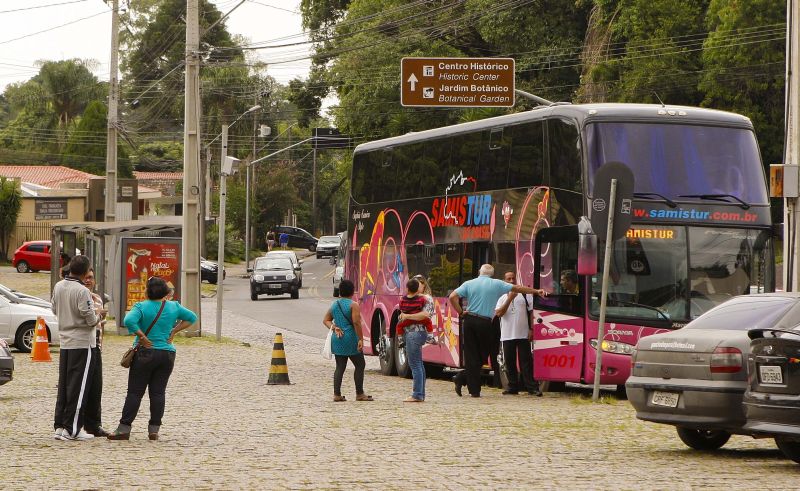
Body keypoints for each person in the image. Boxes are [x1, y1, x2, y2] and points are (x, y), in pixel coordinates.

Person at [108, 277, 197, 441]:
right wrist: (174, 331)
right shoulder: (174, 306)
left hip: (145, 353)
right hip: (167, 354)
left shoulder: (141, 306)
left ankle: (124, 429)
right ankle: (154, 429)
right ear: (165, 291)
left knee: (135, 393)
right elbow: (192, 317)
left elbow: (129, 320)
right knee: (158, 392)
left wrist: (141, 336)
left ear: (147, 291)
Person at [449, 264, 546, 398]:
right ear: (492, 274)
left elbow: (452, 297)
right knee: (484, 355)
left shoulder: (469, 283)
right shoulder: (496, 284)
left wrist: (460, 312)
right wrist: (536, 291)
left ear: (479, 272)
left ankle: (470, 386)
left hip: (469, 320)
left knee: (472, 356)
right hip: (484, 322)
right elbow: (518, 288)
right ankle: (468, 384)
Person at [52, 255, 103, 441]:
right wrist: (99, 315)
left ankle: (60, 425)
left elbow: (54, 309)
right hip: (82, 342)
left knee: (65, 385)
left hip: (65, 341)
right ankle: (72, 429)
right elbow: (90, 319)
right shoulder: (82, 291)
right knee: (78, 387)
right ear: (85, 271)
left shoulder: (59, 286)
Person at [322, 279, 373, 402]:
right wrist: (360, 339)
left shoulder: (334, 304)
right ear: (352, 291)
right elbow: (356, 322)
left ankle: (337, 394)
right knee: (360, 365)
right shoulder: (353, 305)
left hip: (338, 338)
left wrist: (334, 327)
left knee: (340, 366)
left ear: (340, 291)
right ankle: (359, 393)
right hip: (350, 338)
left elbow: (326, 320)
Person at [495, 271, 541, 396]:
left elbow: (531, 312)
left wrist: (531, 329)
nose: (511, 281)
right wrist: (509, 299)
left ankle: (532, 388)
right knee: (509, 362)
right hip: (507, 335)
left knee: (526, 362)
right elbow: (499, 313)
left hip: (523, 334)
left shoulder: (525, 295)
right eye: (508, 279)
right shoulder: (501, 297)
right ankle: (513, 387)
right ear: (504, 281)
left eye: (513, 278)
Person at [397, 278, 433, 402]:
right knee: (419, 364)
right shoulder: (419, 299)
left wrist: (407, 316)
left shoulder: (426, 298)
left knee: (415, 364)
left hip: (414, 333)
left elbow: (425, 315)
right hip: (415, 333)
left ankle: (417, 394)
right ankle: (420, 393)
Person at [83, 267, 109, 437]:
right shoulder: (79, 296)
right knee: (82, 387)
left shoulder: (98, 298)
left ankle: (94, 424)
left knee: (96, 387)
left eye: (91, 277)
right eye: (86, 277)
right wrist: (97, 314)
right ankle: (78, 423)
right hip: (82, 346)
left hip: (96, 347)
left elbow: (101, 325)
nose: (88, 280)